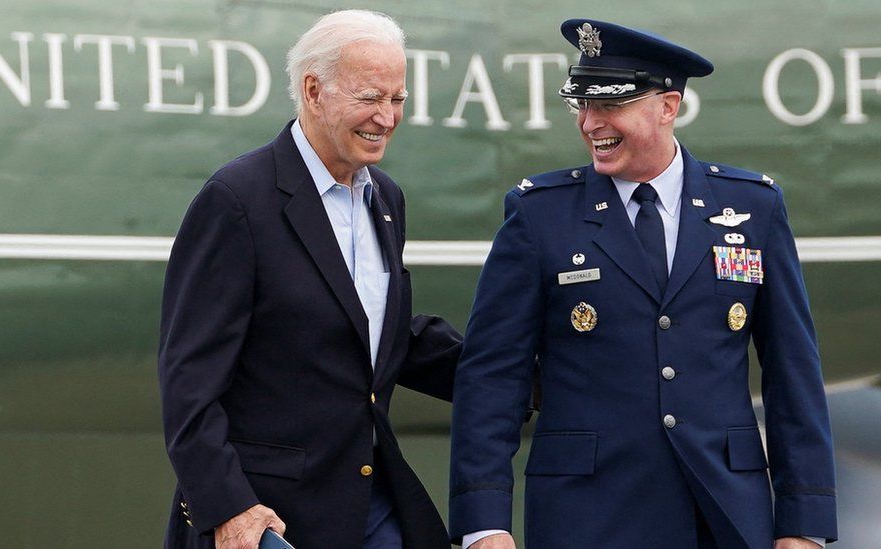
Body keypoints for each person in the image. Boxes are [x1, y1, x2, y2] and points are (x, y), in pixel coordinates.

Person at [449, 18, 837, 549]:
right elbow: (492, 377)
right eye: (581, 105)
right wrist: (484, 523)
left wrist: (804, 524)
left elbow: (793, 374)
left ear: (667, 107)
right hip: (586, 516)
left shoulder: (752, 208)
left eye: (608, 105)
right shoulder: (539, 215)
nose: (589, 124)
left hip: (723, 512)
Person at [158, 10, 461, 549]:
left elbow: (371, 333)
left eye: (398, 99)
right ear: (314, 90)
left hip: (369, 503)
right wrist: (230, 509)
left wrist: (516, 373)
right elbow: (189, 383)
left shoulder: (385, 199)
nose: (386, 118)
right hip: (271, 519)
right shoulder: (236, 201)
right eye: (370, 97)